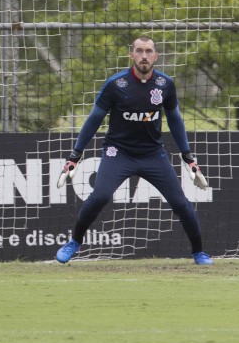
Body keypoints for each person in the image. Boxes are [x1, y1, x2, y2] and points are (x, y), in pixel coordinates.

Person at [55, 35, 213, 266]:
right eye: (139, 51)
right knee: (100, 196)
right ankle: (74, 242)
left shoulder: (165, 84)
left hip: (152, 155)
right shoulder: (115, 85)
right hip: (118, 153)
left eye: (149, 51)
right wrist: (75, 156)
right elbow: (94, 119)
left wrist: (188, 157)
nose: (144, 56)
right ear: (132, 55)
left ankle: (199, 253)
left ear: (156, 56)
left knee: (180, 203)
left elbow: (176, 120)